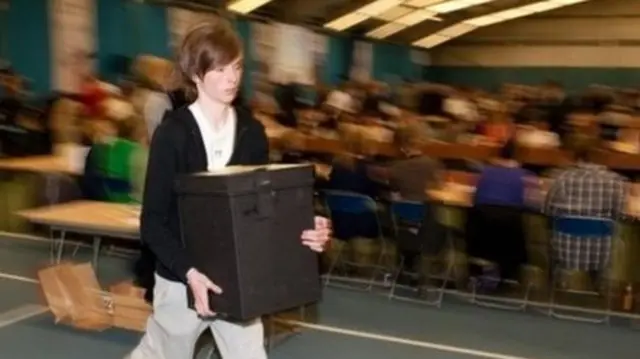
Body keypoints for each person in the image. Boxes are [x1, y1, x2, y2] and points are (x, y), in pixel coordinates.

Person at [127, 21, 331, 359]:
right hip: (181, 280)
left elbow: (261, 213)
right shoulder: (173, 135)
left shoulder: (252, 133)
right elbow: (153, 222)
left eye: (236, 67)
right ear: (195, 73)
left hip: (236, 277)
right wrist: (190, 273)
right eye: (220, 69)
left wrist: (307, 227)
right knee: (158, 354)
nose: (231, 78)